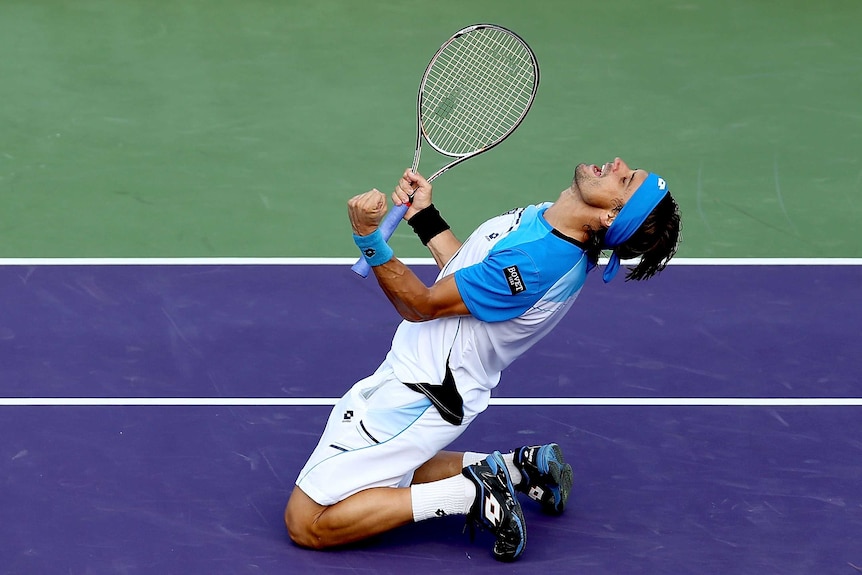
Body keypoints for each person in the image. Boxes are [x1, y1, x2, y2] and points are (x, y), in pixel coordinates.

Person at [284, 157, 682, 562]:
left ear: (612, 214)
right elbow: (473, 280)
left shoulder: (535, 262)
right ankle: (519, 469)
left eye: (626, 179)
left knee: (308, 521)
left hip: (421, 394)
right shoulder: (546, 223)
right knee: (395, 471)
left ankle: (470, 492)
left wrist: (369, 238)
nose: (618, 164)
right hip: (428, 381)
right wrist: (424, 217)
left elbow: (422, 305)